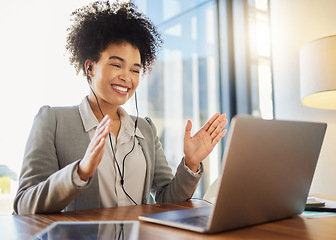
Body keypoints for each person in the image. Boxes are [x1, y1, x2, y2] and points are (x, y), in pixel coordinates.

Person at [13, 1, 228, 215]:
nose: (126, 77)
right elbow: (24, 204)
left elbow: (166, 200)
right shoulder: (53, 121)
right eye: (117, 65)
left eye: (135, 70)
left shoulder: (145, 130)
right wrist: (80, 172)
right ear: (90, 67)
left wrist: (190, 163)